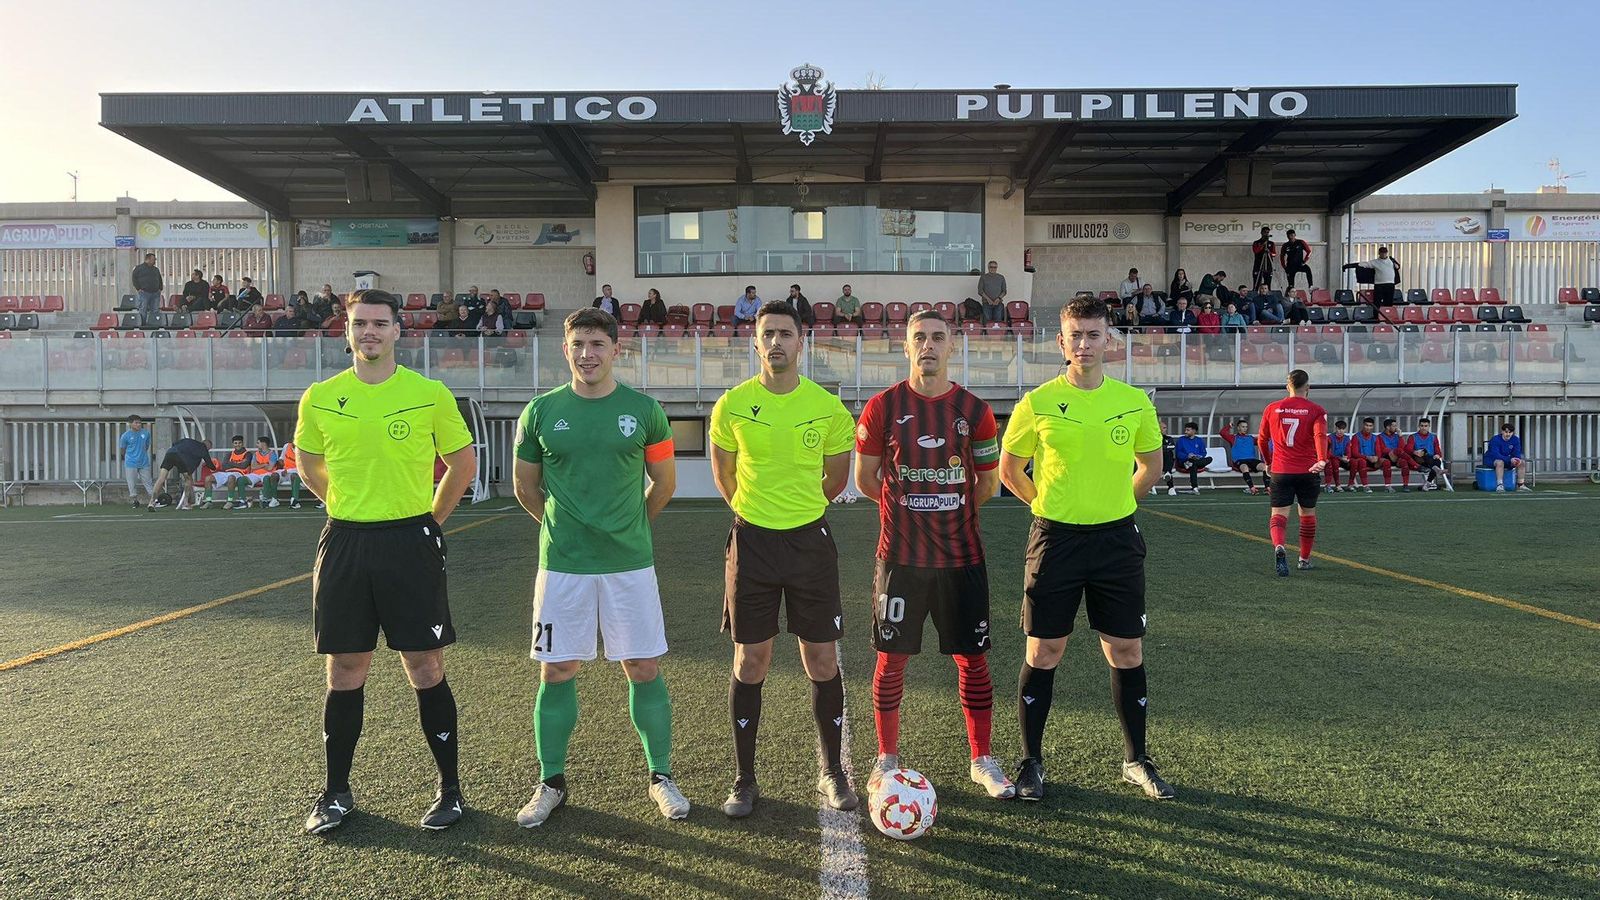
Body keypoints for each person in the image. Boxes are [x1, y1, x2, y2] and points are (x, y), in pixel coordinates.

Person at [295, 288, 478, 835]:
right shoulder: (320, 397)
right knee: (345, 668)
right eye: (360, 323)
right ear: (347, 331)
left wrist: (429, 522)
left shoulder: (428, 393)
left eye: (379, 323)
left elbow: (462, 465)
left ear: (399, 330)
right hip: (345, 542)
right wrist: (343, 504)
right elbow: (308, 463)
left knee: (425, 665)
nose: (369, 331)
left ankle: (450, 790)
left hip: (409, 541)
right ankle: (336, 793)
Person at [510, 307, 686, 827]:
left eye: (597, 344)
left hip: (629, 565)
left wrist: (631, 528)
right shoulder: (540, 411)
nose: (587, 354)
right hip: (563, 566)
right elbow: (525, 487)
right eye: (578, 345)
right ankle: (551, 782)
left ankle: (661, 776)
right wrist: (562, 529)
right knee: (557, 669)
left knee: (643, 666)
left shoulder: (646, 410)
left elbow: (664, 484)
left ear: (616, 350)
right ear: (565, 350)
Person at [999, 294, 1171, 802]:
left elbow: (1151, 466)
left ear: (1108, 340)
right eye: (1075, 335)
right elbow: (1010, 470)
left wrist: (1118, 503)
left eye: (1094, 334)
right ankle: (1031, 762)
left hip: (1116, 541)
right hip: (1055, 540)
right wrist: (1045, 505)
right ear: (1061, 342)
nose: (1084, 344)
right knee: (1043, 650)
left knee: (1126, 650)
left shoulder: (1133, 402)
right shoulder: (1037, 403)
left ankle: (1136, 760)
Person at [853, 310, 1014, 802]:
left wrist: (948, 514)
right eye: (919, 337)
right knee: (891, 659)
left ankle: (981, 760)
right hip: (900, 559)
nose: (928, 345)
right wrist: (907, 511)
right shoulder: (882, 407)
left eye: (937, 337)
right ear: (906, 347)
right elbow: (866, 479)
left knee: (972, 659)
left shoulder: (975, 410)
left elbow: (987, 484)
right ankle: (886, 758)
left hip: (961, 558)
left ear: (951, 347)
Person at [709, 300, 857, 818]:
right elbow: (725, 475)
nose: (776, 342)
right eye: (767, 333)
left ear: (801, 341)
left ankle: (832, 771)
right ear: (755, 342)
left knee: (821, 659)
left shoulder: (828, 408)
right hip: (752, 545)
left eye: (785, 333)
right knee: (750, 660)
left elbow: (836, 480)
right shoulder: (732, 405)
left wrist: (796, 512)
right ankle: (744, 779)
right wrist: (758, 514)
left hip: (809, 544)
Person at [1258, 370, 1329, 576]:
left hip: (1281, 470)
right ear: (1308, 387)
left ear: (1287, 386)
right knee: (1307, 514)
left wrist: (1268, 462)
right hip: (1308, 470)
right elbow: (1320, 435)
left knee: (1279, 514)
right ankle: (1304, 560)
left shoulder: (1272, 408)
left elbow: (1262, 440)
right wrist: (1322, 459)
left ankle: (1279, 546)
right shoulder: (1316, 410)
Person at [148, 435, 211, 510]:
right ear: (208, 446)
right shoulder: (203, 448)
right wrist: (216, 468)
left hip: (170, 453)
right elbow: (209, 463)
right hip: (181, 457)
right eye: (209, 449)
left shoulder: (188, 440)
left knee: (161, 478)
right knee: (188, 479)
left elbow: (174, 444)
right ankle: (185, 503)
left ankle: (151, 502)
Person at [1403, 417, 1451, 492]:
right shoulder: (1412, 437)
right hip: (1418, 460)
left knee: (1437, 461)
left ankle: (1427, 484)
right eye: (1422, 426)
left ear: (1429, 427)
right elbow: (1408, 449)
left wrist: (1437, 455)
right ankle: (1437, 470)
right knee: (1425, 453)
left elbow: (1437, 449)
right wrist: (1415, 452)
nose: (1424, 428)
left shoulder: (1433, 437)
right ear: (1419, 426)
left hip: (1430, 460)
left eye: (1426, 426)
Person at [118, 414, 156, 508]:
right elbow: (122, 449)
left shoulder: (146, 433)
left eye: (139, 423)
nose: (138, 424)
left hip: (144, 462)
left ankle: (153, 501)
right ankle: (135, 501)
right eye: (136, 423)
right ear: (130, 424)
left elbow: (146, 446)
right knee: (132, 483)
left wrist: (140, 454)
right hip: (130, 463)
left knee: (148, 481)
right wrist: (129, 457)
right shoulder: (125, 436)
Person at [1221, 419, 1267, 494]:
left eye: (1246, 427)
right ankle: (1252, 488)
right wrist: (1229, 426)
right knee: (1245, 467)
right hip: (1239, 461)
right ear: (1238, 428)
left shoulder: (1250, 438)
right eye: (1243, 427)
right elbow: (1222, 433)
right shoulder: (1233, 438)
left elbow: (1263, 441)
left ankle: (1267, 488)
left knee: (1265, 467)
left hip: (1251, 460)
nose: (1245, 429)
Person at [1483, 423, 1532, 492]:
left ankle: (1520, 485)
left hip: (1507, 460)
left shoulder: (1515, 439)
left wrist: (1516, 460)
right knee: (1500, 462)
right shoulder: (1495, 439)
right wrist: (1509, 459)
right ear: (1502, 431)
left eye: (1510, 432)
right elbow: (1495, 454)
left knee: (1522, 462)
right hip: (1491, 459)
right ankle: (1500, 485)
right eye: (1506, 432)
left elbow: (1517, 453)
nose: (1508, 434)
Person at [1172, 422, 1212, 494]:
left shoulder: (1199, 440)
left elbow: (1203, 453)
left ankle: (1194, 487)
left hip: (1196, 461)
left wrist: (1199, 456)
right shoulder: (1181, 440)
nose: (1185, 432)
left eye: (1188, 430)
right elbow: (1178, 454)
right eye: (1185, 430)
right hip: (1184, 461)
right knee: (1193, 464)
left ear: (1194, 431)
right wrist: (1187, 456)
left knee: (1209, 458)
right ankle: (1194, 487)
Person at [217, 435, 254, 509]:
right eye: (235, 443)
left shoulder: (248, 454)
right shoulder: (229, 454)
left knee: (231, 477)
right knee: (208, 478)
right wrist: (238, 464)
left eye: (239, 443)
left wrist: (231, 463)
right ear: (233, 444)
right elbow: (224, 466)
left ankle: (230, 501)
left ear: (243, 443)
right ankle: (208, 501)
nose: (237, 445)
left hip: (240, 474)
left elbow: (244, 465)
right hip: (227, 473)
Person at [243, 437, 281, 508]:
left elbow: (270, 468)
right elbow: (253, 467)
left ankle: (265, 499)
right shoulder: (256, 454)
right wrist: (264, 464)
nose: (256, 445)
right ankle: (242, 501)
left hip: (268, 474)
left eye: (258, 443)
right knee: (241, 480)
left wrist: (258, 465)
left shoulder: (272, 454)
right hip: (256, 474)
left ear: (263, 444)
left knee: (266, 478)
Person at [1349, 417, 1380, 493]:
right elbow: (1354, 453)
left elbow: (1379, 451)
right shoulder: (1356, 437)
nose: (1368, 427)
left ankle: (1388, 486)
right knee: (1361, 461)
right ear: (1363, 425)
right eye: (1366, 425)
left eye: (1370, 426)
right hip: (1361, 460)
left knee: (1386, 462)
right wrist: (1367, 457)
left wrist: (1377, 457)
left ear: (1373, 427)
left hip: (1373, 461)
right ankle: (1365, 486)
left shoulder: (1375, 437)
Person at [1324, 420, 1355, 493]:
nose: (1341, 431)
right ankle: (1336, 485)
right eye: (1339, 429)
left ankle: (1350, 485)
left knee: (1354, 462)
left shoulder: (1347, 438)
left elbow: (1348, 451)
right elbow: (1329, 454)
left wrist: (1347, 458)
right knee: (1334, 462)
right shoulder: (1329, 438)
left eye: (1343, 429)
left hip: (1342, 459)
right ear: (1336, 428)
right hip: (1333, 459)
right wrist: (1340, 458)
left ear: (1345, 430)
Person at [1376, 418, 1405, 492]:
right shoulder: (1379, 437)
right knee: (1387, 462)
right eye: (1394, 426)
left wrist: (1400, 436)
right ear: (1388, 427)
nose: (1396, 428)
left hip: (1396, 458)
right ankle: (1387, 486)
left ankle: (1406, 485)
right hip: (1386, 457)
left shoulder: (1397, 436)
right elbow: (1383, 450)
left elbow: (1402, 448)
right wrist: (1393, 452)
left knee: (1404, 461)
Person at [132, 253, 163, 320]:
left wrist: (160, 288)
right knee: (143, 309)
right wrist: (138, 288)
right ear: (148, 259)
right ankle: (142, 323)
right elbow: (134, 278)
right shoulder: (139, 268)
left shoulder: (156, 269)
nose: (154, 261)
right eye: (153, 259)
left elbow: (160, 279)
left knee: (155, 310)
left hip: (155, 293)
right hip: (144, 293)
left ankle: (154, 322)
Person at [279, 441, 308, 509]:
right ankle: (273, 500)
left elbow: (303, 466)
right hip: (285, 471)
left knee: (294, 476)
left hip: (297, 472)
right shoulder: (286, 446)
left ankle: (295, 500)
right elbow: (281, 459)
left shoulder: (305, 449)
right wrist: (281, 464)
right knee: (274, 475)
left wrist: (287, 470)